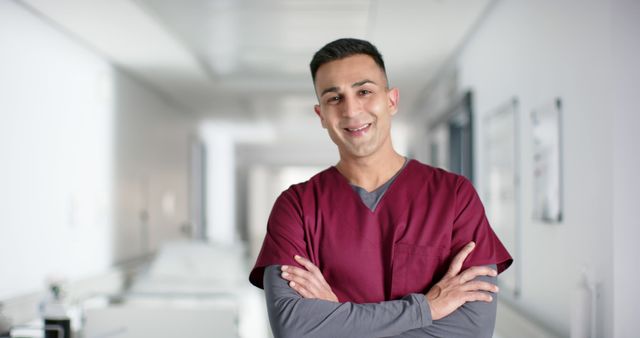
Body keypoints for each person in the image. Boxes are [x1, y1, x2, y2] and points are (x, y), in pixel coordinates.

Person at [249, 38, 513, 338]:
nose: (350, 110)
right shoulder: (296, 206)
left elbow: (471, 330)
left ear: (391, 100)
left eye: (364, 91)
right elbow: (293, 327)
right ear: (321, 115)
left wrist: (338, 318)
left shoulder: (455, 197)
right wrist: (425, 309)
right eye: (334, 98)